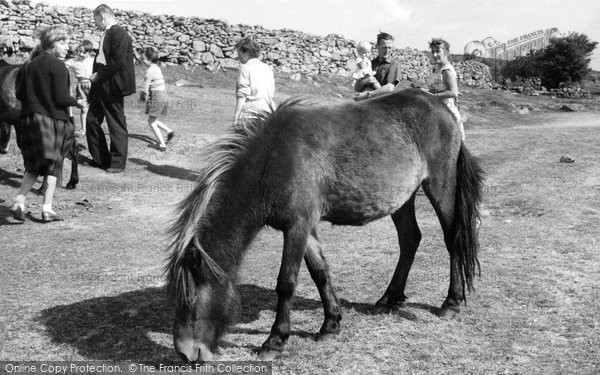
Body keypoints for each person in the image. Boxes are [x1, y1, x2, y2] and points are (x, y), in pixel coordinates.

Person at [9, 25, 85, 222]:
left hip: (28, 120)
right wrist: (78, 102)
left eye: (68, 42)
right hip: (51, 121)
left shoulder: (28, 65)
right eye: (63, 42)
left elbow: (18, 94)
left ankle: (20, 199)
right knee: (53, 165)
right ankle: (46, 208)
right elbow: (61, 98)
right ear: (51, 43)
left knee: (35, 166)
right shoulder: (58, 65)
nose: (67, 46)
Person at [86, 4, 135, 173]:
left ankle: (117, 163)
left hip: (113, 85)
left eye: (95, 20)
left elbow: (118, 61)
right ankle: (101, 159)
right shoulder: (107, 33)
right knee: (91, 121)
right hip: (100, 85)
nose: (95, 24)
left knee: (115, 124)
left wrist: (99, 75)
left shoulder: (118, 33)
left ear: (102, 17)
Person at [425, 38, 465, 140]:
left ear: (446, 52)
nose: (434, 55)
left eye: (438, 51)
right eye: (433, 51)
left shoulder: (447, 70)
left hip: (447, 114)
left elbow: (453, 92)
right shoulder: (438, 69)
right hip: (438, 112)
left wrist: (433, 96)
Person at [233, 37, 275, 131]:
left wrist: (236, 116)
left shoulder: (245, 68)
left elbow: (242, 95)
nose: (238, 57)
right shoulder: (267, 68)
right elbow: (271, 93)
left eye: (239, 53)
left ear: (246, 52)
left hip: (250, 115)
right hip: (267, 114)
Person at [139, 47, 174, 152]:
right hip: (163, 95)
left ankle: (162, 145)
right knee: (154, 118)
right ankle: (169, 131)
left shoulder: (149, 72)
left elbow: (145, 89)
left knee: (151, 121)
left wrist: (142, 97)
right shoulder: (157, 68)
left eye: (143, 59)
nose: (142, 61)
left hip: (157, 96)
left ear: (150, 59)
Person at [354, 32, 402, 101]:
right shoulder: (371, 63)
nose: (387, 51)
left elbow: (390, 88)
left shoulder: (394, 64)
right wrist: (365, 81)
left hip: (383, 103)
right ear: (377, 46)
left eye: (389, 48)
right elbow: (356, 87)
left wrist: (368, 94)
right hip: (365, 102)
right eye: (384, 47)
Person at [65, 40, 94, 137]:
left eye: (84, 52)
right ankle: (83, 129)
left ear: (90, 52)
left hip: (92, 85)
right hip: (81, 86)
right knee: (84, 108)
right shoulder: (74, 61)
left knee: (94, 108)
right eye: (79, 51)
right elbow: (64, 65)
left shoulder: (92, 61)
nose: (81, 54)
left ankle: (93, 129)